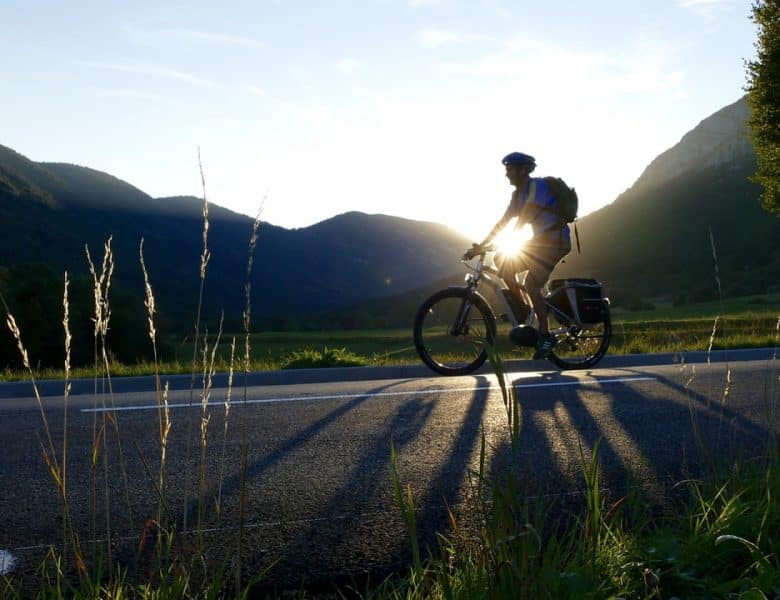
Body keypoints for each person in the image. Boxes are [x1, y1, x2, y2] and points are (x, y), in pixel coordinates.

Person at [467, 152, 572, 359]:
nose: (507, 174)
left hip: (556, 241)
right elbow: (503, 221)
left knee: (531, 284)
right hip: (541, 243)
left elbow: (525, 216)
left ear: (523, 170)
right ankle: (524, 311)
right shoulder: (517, 195)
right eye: (506, 170)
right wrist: (482, 245)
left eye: (510, 169)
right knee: (502, 263)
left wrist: (507, 240)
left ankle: (545, 334)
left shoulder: (537, 187)